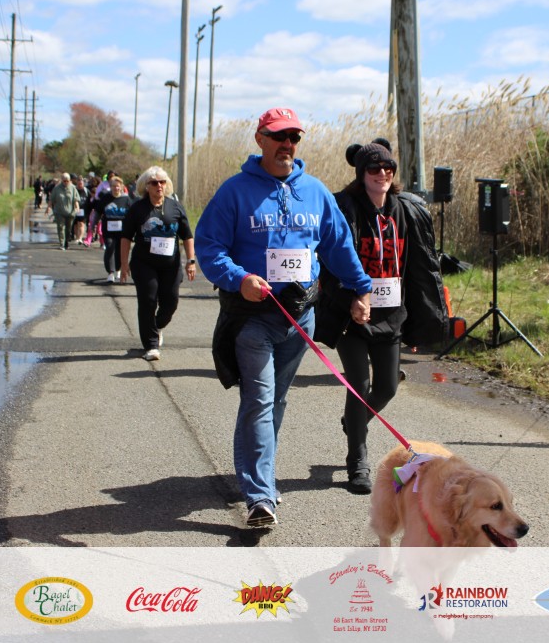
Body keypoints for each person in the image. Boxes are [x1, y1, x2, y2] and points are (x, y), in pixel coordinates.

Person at [194, 107, 373, 528]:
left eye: (293, 137)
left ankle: (259, 478)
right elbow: (209, 247)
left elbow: (338, 245)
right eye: (278, 136)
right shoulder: (235, 192)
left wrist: (360, 288)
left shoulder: (315, 192)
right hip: (252, 317)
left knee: (274, 400)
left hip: (300, 318)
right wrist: (238, 278)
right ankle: (260, 495)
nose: (287, 144)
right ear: (260, 139)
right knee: (258, 400)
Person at [314, 140, 449, 494]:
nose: (383, 174)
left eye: (388, 168)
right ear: (361, 174)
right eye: (374, 169)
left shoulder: (405, 211)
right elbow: (328, 264)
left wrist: (421, 323)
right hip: (352, 316)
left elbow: (420, 270)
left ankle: (354, 423)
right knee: (358, 386)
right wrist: (350, 300)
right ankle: (356, 461)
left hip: (391, 315)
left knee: (387, 387)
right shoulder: (344, 209)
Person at [119, 166, 195, 361]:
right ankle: (151, 346)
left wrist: (191, 261)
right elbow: (126, 237)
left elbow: (187, 235)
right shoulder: (137, 208)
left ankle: (156, 326)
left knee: (171, 302)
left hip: (171, 264)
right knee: (148, 300)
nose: (159, 185)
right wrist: (124, 264)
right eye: (154, 183)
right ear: (146, 186)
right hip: (144, 263)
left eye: (162, 182)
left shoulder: (175, 207)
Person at [96, 176, 133, 282]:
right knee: (110, 247)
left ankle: (118, 269)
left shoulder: (126, 199)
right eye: (113, 186)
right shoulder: (106, 198)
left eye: (118, 186)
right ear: (110, 187)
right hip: (108, 229)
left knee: (119, 250)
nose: (116, 188)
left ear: (121, 187)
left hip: (122, 230)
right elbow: (98, 211)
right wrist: (93, 224)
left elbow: (132, 214)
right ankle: (110, 272)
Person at [45, 173, 80, 250]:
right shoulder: (57, 188)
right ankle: (62, 243)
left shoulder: (73, 188)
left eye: (67, 181)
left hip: (70, 213)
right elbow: (52, 199)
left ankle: (66, 241)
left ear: (69, 180)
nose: (66, 182)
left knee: (68, 229)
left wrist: (77, 207)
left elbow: (76, 199)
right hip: (59, 212)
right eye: (64, 181)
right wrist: (48, 207)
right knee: (61, 227)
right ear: (62, 180)